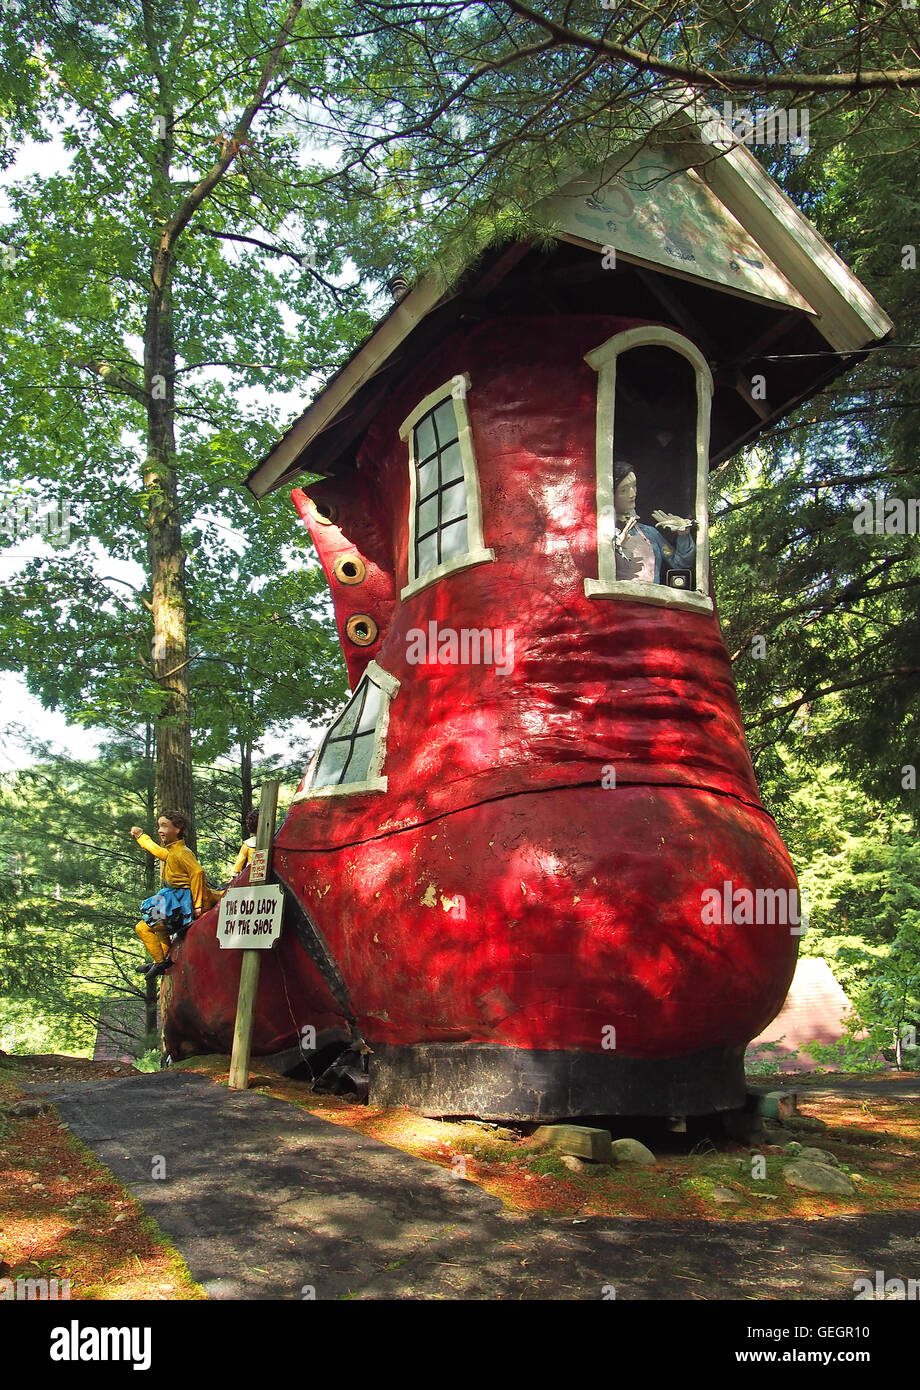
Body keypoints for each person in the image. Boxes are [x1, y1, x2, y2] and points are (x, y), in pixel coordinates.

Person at [129, 811, 219, 980]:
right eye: (159, 826)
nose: (160, 830)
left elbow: (197, 872)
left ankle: (160, 962)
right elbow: (156, 850)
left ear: (177, 829)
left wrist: (198, 904)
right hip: (169, 897)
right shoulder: (172, 852)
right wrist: (141, 837)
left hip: (181, 900)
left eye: (164, 826)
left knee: (144, 927)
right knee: (157, 924)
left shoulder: (182, 852)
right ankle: (160, 960)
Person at [612, 461, 696, 586]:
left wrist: (683, 534)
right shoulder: (600, 533)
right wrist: (616, 549)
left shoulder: (650, 534)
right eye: (623, 490)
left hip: (652, 602)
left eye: (634, 486)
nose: (632, 494)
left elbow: (680, 563)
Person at [231, 810, 260, 877]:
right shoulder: (272, 842)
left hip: (251, 875)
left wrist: (234, 876)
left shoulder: (247, 845)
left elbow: (239, 864)